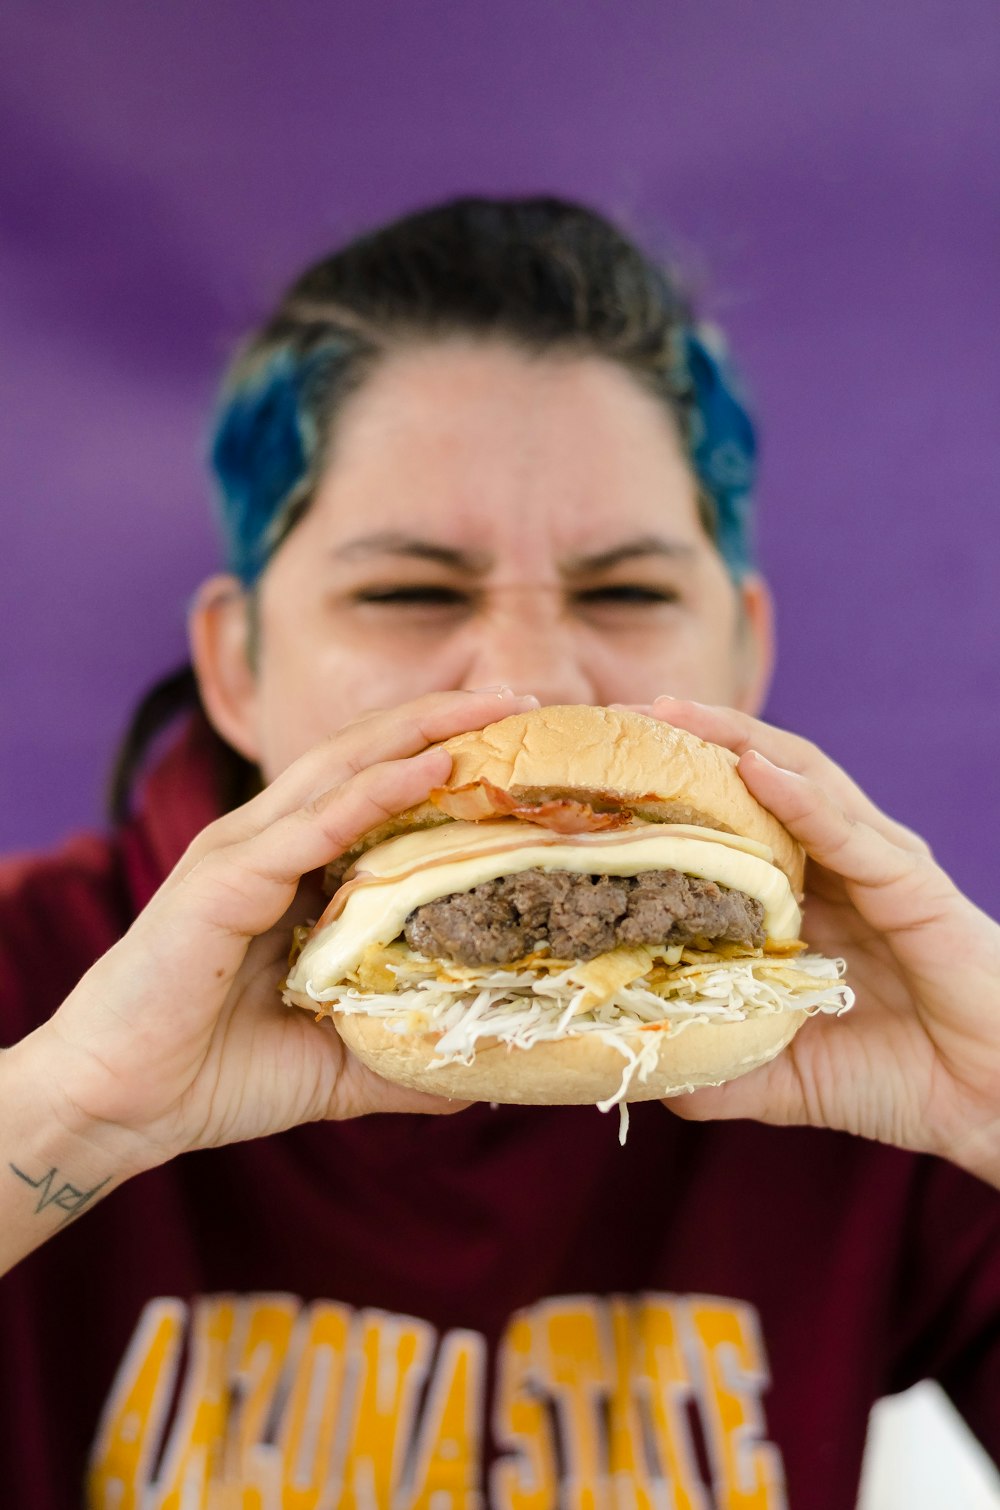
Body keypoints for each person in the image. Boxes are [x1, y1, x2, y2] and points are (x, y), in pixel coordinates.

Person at [0, 195, 997, 1509]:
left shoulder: (869, 1033)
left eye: (628, 592)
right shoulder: (32, 981)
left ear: (745, 652)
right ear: (235, 665)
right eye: (410, 592)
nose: (533, 682)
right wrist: (73, 1110)